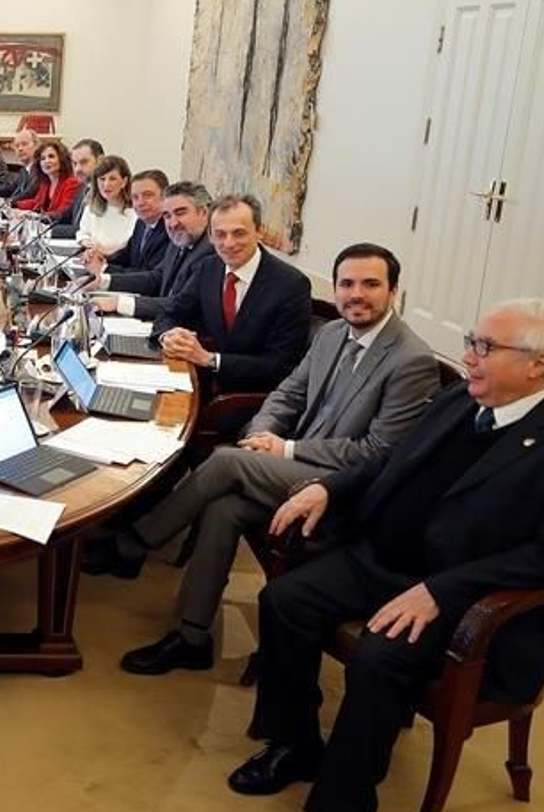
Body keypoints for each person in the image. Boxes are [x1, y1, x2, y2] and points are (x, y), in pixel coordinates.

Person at [234, 298, 544, 812]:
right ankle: (295, 743)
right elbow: (393, 459)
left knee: (379, 655)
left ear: (537, 365)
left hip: (463, 594)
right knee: (283, 601)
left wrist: (442, 591)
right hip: (385, 560)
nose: (468, 356)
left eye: (484, 348)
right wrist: (331, 489)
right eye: (472, 340)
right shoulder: (464, 397)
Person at [92, 245, 439, 676]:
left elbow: (378, 453)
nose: (356, 294)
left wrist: (286, 449)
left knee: (224, 461)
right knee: (223, 508)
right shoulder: (332, 333)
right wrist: (263, 433)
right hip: (293, 469)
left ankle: (134, 541)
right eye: (347, 284)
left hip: (344, 489)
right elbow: (288, 394)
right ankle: (191, 636)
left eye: (371, 284)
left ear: (394, 292)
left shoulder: (412, 360)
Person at [151, 192, 313, 394]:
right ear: (210, 235)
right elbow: (170, 312)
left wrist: (210, 359)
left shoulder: (291, 285)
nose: (228, 243)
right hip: (203, 385)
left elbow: (281, 366)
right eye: (220, 234)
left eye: (239, 233)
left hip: (253, 398)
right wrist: (168, 336)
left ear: (259, 231)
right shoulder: (208, 268)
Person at [91, 179, 213, 321]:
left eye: (181, 213)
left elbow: (182, 304)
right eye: (167, 215)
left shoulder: (210, 252)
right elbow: (157, 278)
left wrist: (119, 303)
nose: (173, 223)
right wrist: (102, 281)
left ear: (203, 213)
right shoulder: (179, 239)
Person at [92, 169, 170, 273]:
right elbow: (126, 256)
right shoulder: (141, 223)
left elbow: (150, 277)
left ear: (164, 197)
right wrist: (101, 258)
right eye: (135, 197)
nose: (140, 203)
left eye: (147, 195)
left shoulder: (170, 229)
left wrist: (104, 269)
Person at [68, 155, 135, 253]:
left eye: (112, 179)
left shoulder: (135, 213)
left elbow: (129, 247)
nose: (106, 184)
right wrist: (87, 242)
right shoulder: (91, 208)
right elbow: (82, 233)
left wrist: (104, 251)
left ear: (124, 182)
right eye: (102, 179)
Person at [12, 139, 79, 219]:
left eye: (51, 156)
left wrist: (38, 216)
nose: (46, 161)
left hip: (58, 226)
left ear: (62, 159)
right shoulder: (46, 183)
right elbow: (36, 202)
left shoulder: (71, 183)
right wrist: (14, 204)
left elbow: (63, 212)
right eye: (42, 158)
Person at [51, 138, 105, 237]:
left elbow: (84, 230)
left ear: (100, 161)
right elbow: (65, 216)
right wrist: (37, 220)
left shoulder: (107, 193)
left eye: (84, 162)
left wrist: (47, 232)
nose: (77, 169)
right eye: (75, 164)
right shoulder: (83, 187)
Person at [5, 128, 41, 203]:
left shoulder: (40, 168)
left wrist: (8, 202)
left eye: (24, 144)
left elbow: (29, 193)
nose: (20, 149)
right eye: (17, 146)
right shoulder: (24, 170)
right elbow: (10, 189)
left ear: (36, 146)